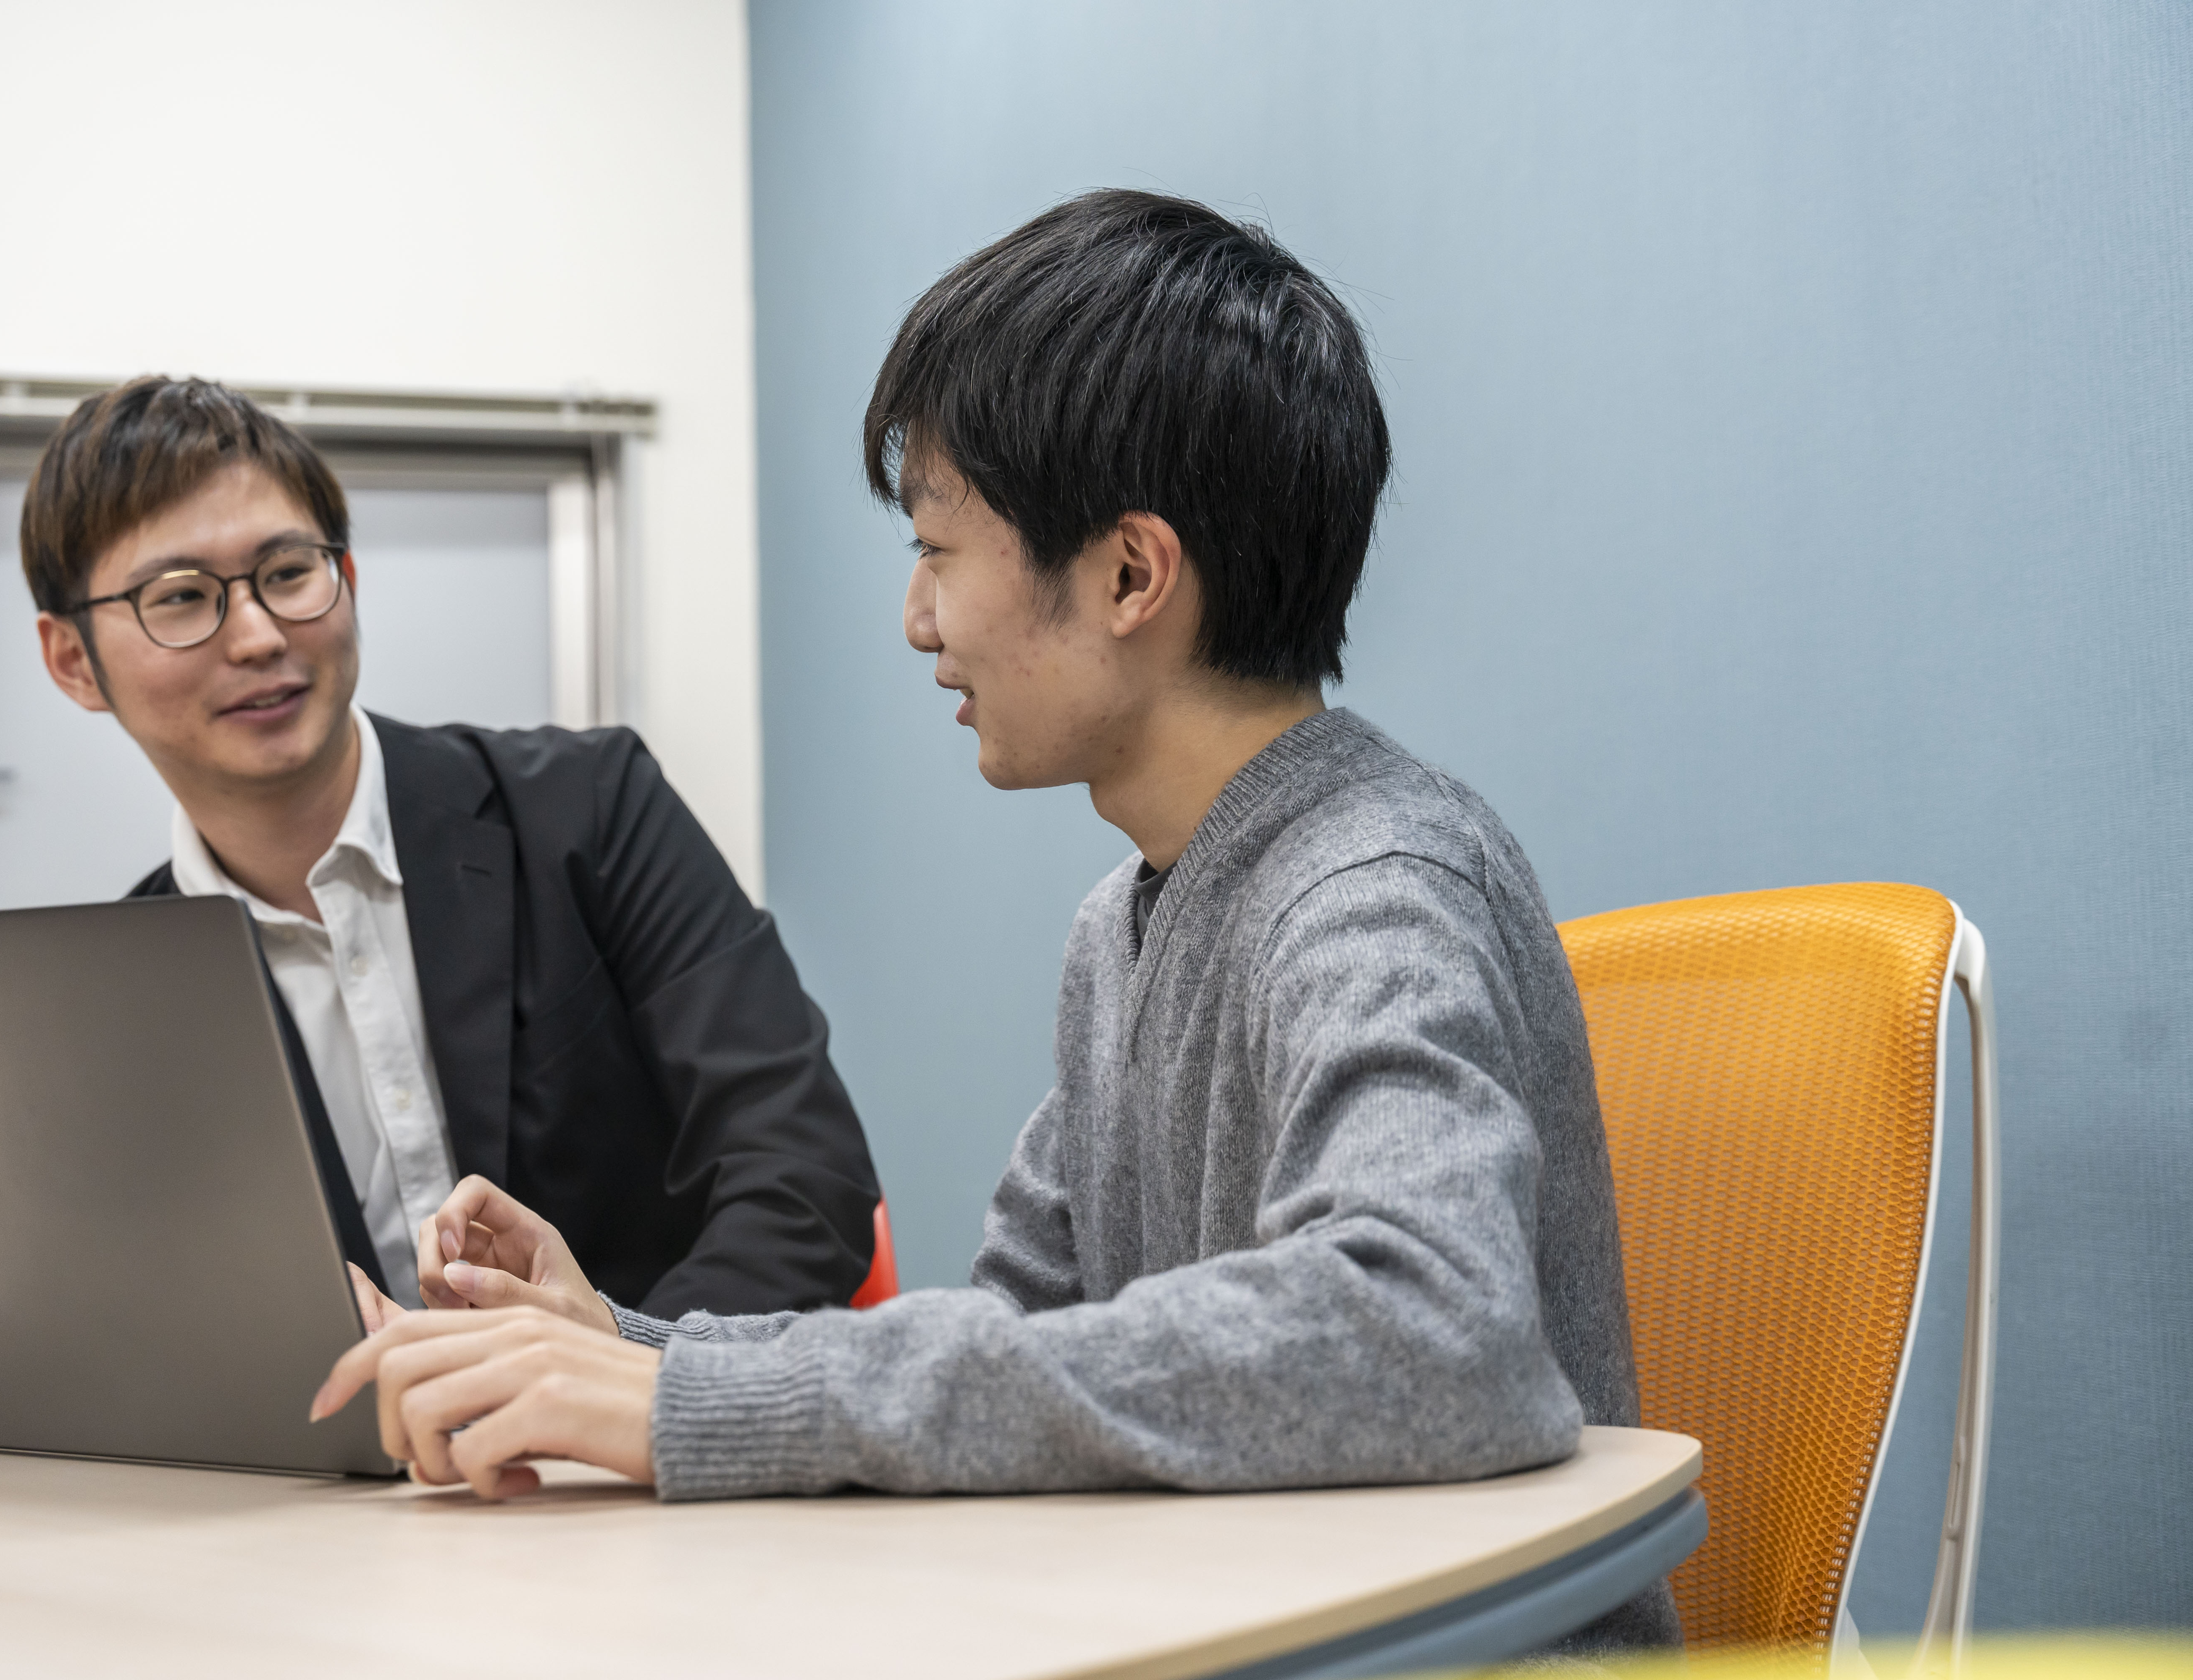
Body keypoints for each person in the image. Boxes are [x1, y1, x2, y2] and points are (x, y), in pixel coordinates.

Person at [313, 190, 1677, 1651]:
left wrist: (694, 1409)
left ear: (1130, 575)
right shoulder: (1124, 927)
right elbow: (1015, 1350)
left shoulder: (1375, 885)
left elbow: (1432, 1338)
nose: (919, 620)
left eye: (940, 550)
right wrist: (622, 1347)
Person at [22, 377, 881, 1318]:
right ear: (73, 660)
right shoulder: (112, 991)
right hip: (335, 1462)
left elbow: (804, 1172)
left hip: (643, 1448)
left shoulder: (590, 808)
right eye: (181, 597)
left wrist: (628, 1371)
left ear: (347, 581)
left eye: (288, 572)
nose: (260, 634)